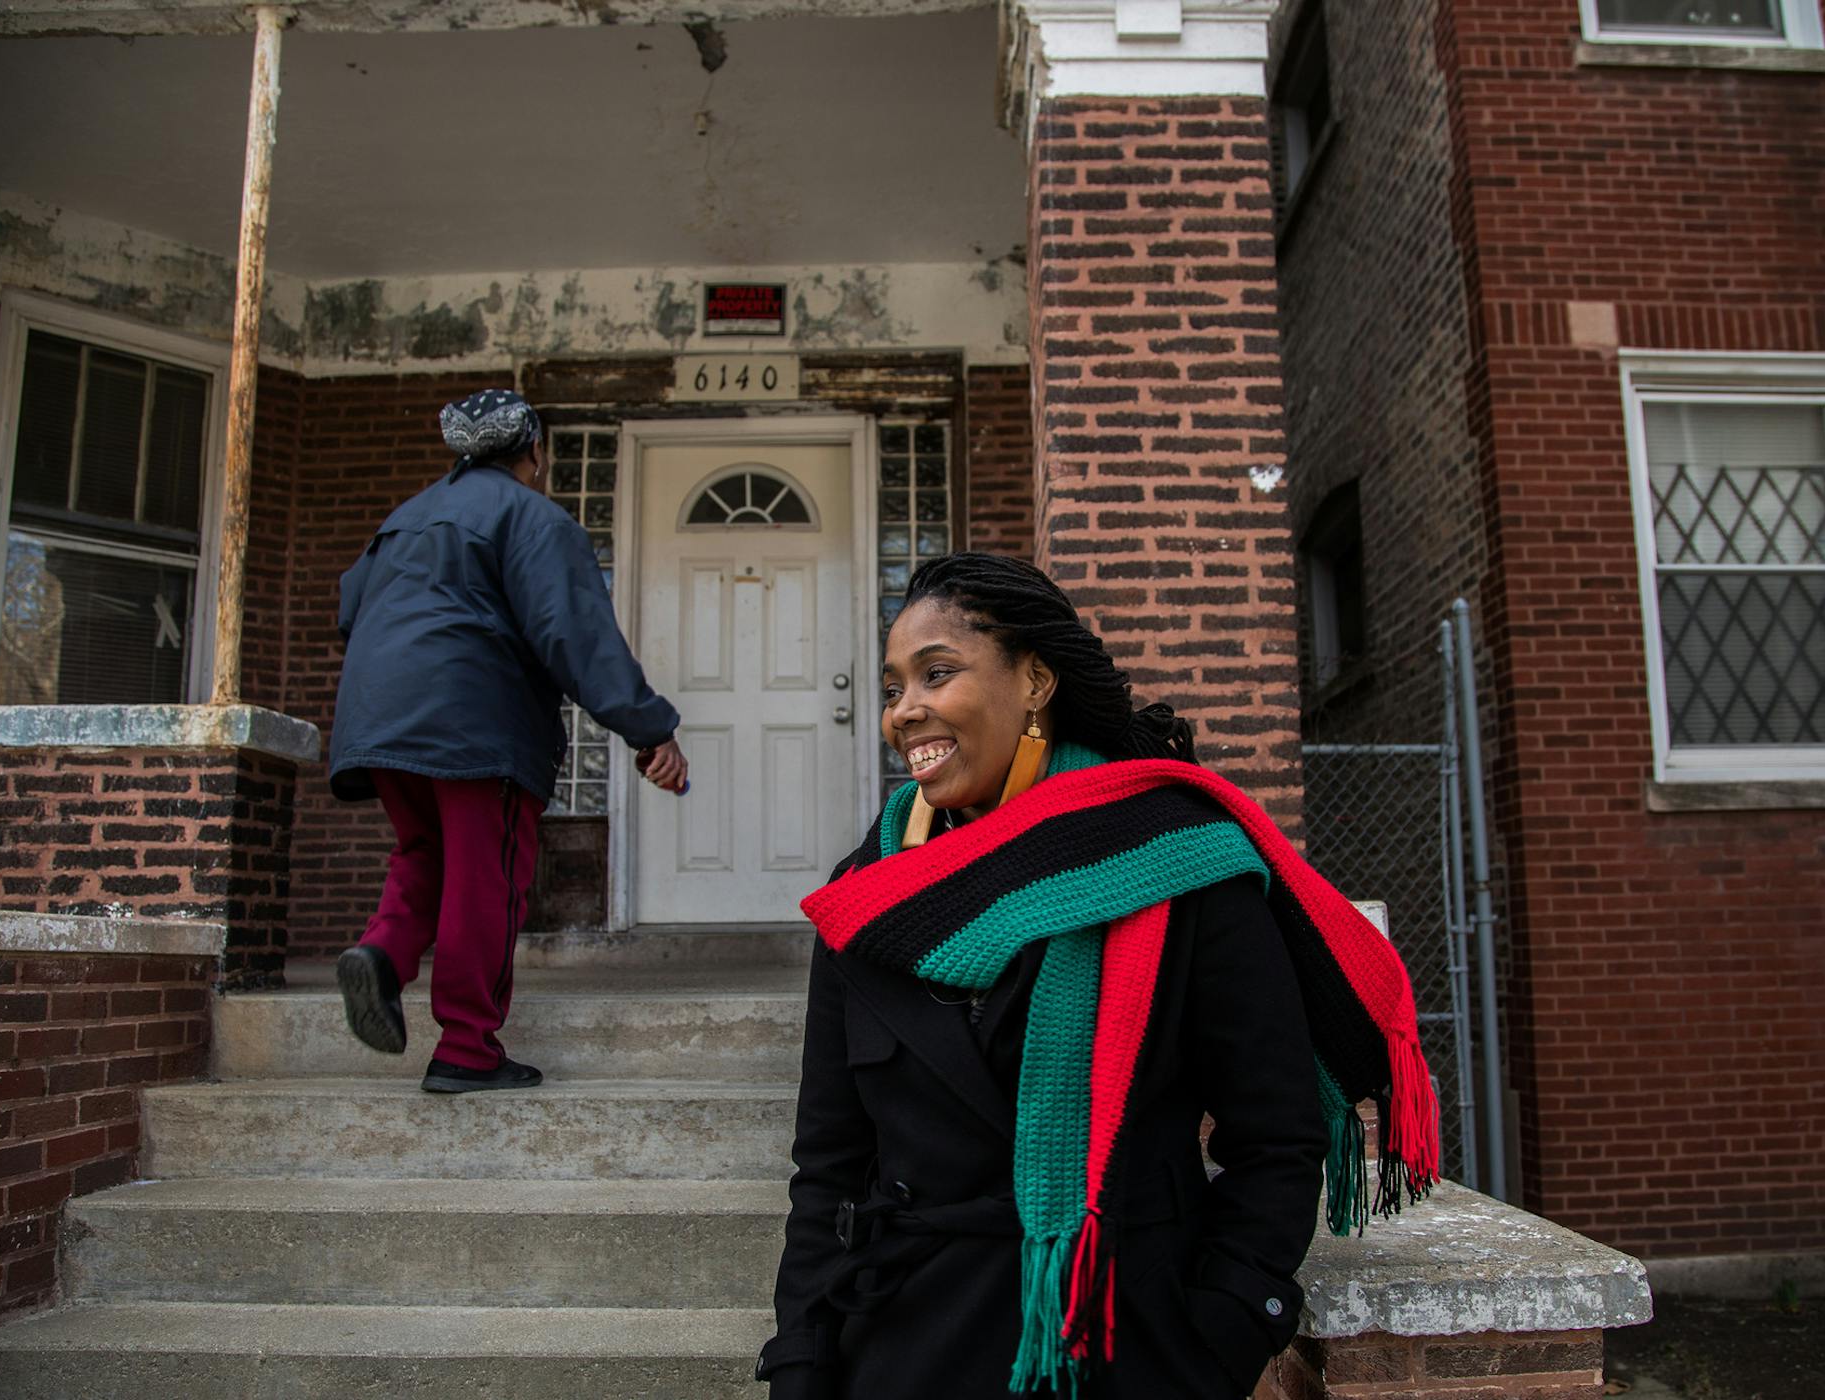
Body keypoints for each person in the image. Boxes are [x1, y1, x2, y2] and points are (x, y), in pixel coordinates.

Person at [757, 553, 1442, 1399]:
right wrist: (803, 1358)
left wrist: (1221, 1332)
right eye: (894, 689)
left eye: (937, 674)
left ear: (1035, 680)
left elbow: (1275, 1141)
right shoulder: (862, 899)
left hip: (1128, 1347)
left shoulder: (1174, 862)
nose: (907, 712)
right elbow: (828, 1165)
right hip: (901, 1347)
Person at [327, 389, 687, 1094]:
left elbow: (351, 609)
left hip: (376, 717)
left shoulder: (403, 519)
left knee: (425, 853)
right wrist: (650, 729)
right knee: (486, 879)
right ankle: (467, 1047)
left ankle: (382, 952)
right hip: (475, 723)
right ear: (534, 453)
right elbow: (575, 637)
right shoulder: (532, 517)